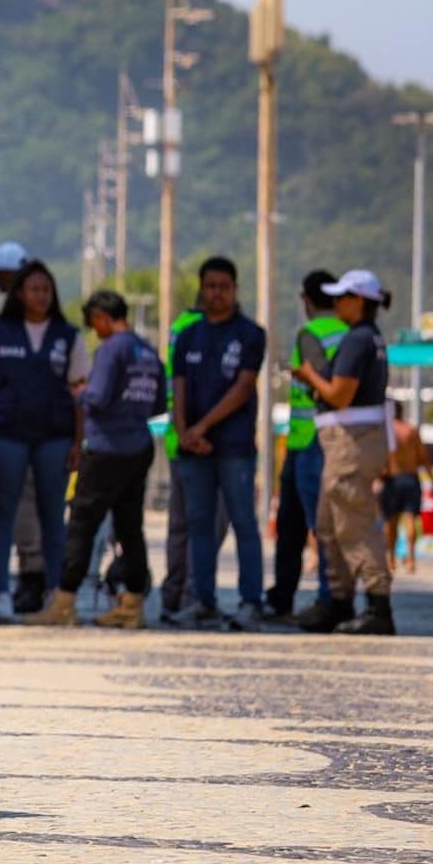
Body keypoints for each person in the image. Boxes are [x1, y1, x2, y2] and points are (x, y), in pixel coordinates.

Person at [0, 259, 88, 621]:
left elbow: (79, 391)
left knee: (53, 514)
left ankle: (58, 594)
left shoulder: (67, 335)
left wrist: (77, 442)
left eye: (46, 289)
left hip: (54, 434)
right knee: (3, 512)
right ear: (20, 293)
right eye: (33, 289)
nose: (40, 296)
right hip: (9, 431)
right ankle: (0, 593)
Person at [25, 292, 163, 628]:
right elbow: (159, 403)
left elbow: (98, 398)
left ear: (102, 317)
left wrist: (80, 393)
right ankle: (133, 603)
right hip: (139, 445)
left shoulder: (111, 349)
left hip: (105, 448)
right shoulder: (147, 351)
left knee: (81, 526)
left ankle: (64, 602)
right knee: (130, 528)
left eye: (94, 323)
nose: (94, 330)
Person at [166, 257, 269, 631]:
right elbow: (177, 387)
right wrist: (184, 432)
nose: (217, 293)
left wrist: (203, 427)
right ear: (201, 288)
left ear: (235, 289)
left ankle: (250, 601)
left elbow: (243, 388)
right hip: (193, 449)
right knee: (198, 525)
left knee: (243, 523)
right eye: (210, 286)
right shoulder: (188, 335)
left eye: (224, 286)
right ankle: (203, 600)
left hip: (233, 446)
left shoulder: (250, 334)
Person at [293, 270, 396, 634]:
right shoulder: (370, 338)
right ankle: (338, 602)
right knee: (328, 524)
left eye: (341, 298)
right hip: (351, 442)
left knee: (353, 523)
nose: (335, 304)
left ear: (358, 300)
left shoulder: (358, 339)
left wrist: (309, 377)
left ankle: (377, 604)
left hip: (351, 443)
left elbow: (339, 394)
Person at [0, 242, 50, 612]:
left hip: (41, 432)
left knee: (32, 508)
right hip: (10, 432)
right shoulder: (0, 328)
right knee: (12, 508)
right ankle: (9, 583)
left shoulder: (47, 329)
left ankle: (36, 579)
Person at [268, 271, 345, 619]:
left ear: (307, 299)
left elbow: (320, 380)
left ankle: (321, 599)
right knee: (313, 524)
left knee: (303, 526)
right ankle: (307, 596)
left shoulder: (311, 332)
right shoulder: (348, 332)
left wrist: (302, 375)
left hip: (309, 442)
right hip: (326, 438)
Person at [157, 298, 208, 615]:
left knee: (180, 525)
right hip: (201, 442)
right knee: (203, 526)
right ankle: (191, 593)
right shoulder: (198, 330)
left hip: (182, 439)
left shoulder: (179, 327)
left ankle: (174, 593)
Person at [383, 413, 433, 576]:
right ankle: (411, 559)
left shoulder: (386, 431)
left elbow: (380, 458)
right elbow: (424, 457)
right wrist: (432, 481)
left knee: (390, 521)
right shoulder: (411, 430)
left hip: (391, 478)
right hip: (411, 478)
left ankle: (390, 558)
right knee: (410, 518)